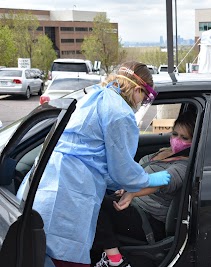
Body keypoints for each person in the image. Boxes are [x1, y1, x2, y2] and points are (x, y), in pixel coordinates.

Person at [25, 61, 172, 267]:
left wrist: (123, 184)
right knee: (64, 255)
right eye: (145, 96)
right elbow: (122, 169)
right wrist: (147, 179)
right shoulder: (120, 113)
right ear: (138, 89)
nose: (142, 102)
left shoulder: (94, 96)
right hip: (72, 191)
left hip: (46, 181)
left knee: (41, 250)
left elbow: (95, 155)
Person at [92, 111, 196, 267]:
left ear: (194, 141)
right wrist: (125, 189)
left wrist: (132, 193)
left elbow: (163, 182)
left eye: (184, 138)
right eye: (175, 134)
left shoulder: (183, 166)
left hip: (148, 219)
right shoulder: (163, 152)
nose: (177, 140)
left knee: (94, 203)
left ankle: (115, 261)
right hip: (132, 204)